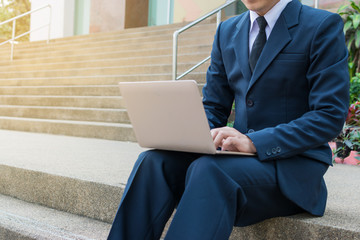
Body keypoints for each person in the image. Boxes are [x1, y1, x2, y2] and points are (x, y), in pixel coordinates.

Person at [108, 0, 349, 238]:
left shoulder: (321, 25)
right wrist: (189, 136)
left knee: (210, 170)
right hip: (236, 159)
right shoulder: (227, 30)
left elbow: (329, 115)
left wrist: (255, 142)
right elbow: (213, 106)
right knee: (153, 161)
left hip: (291, 169)